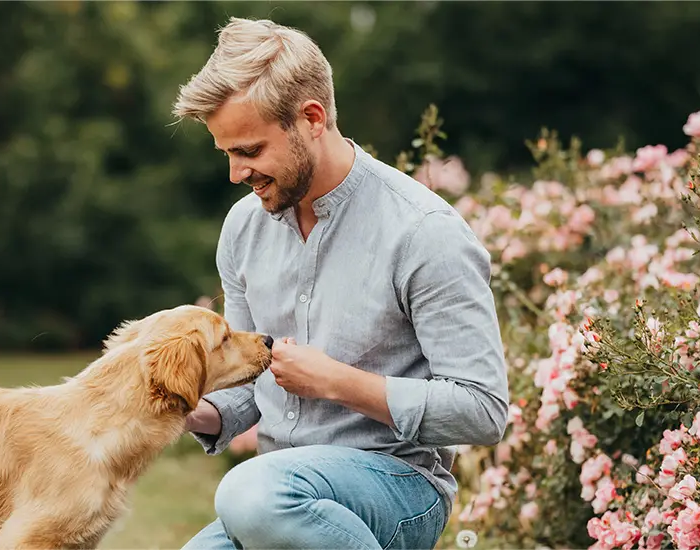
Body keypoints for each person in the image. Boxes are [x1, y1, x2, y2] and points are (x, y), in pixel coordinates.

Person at [169, 17, 510, 550]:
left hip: (398, 486)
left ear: (311, 118)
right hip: (278, 496)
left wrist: (336, 382)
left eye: (251, 151)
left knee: (250, 493)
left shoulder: (425, 233)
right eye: (228, 154)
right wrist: (189, 407)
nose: (236, 173)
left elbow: (483, 411)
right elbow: (249, 390)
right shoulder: (242, 229)